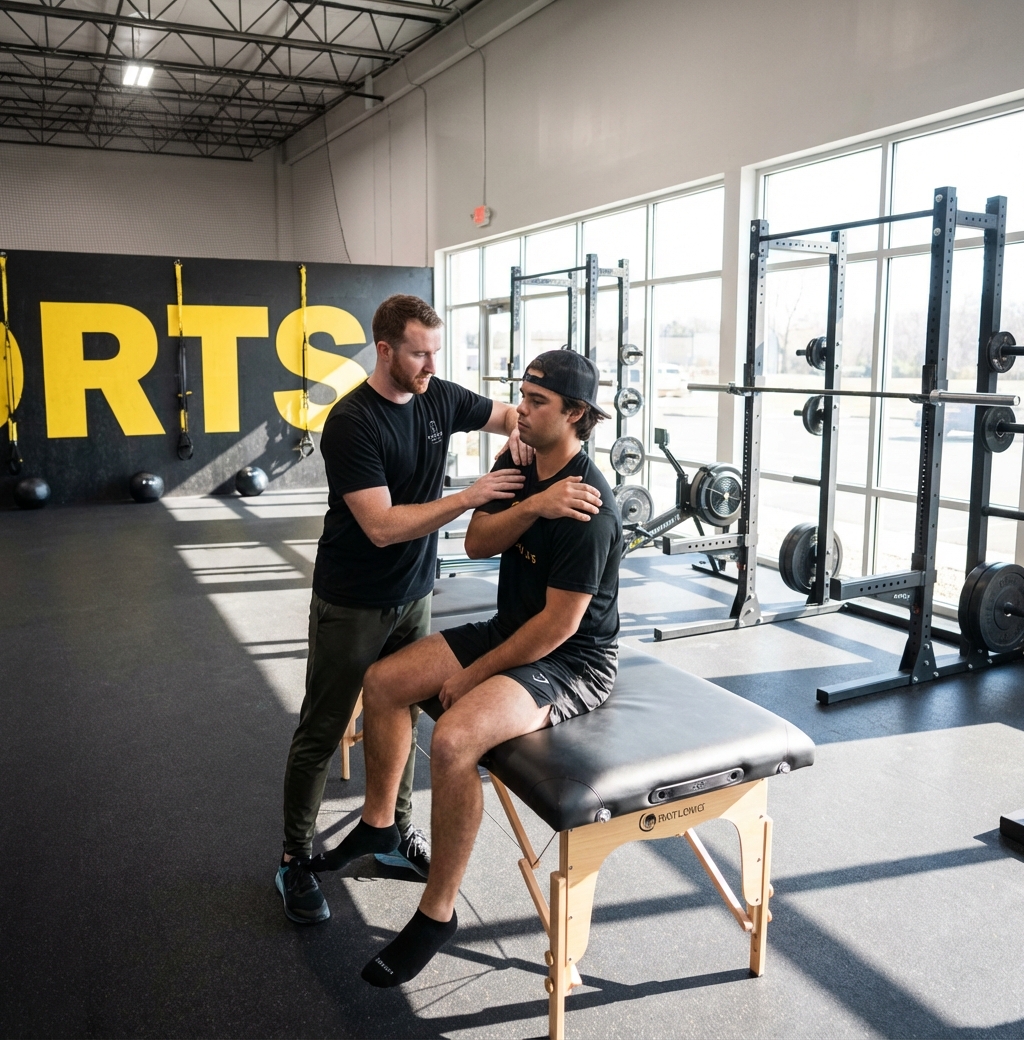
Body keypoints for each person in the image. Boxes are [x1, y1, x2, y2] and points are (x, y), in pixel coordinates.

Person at [306, 348, 622, 986]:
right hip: (515, 629)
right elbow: (477, 541)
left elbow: (559, 627)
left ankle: (437, 911)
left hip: (572, 661)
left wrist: (474, 677)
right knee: (384, 681)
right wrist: (532, 505)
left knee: (453, 739)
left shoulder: (592, 507)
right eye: (522, 397)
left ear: (576, 414)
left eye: (537, 404)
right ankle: (378, 827)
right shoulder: (520, 459)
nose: (520, 413)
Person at [276, 294, 535, 925]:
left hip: (413, 596)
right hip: (353, 601)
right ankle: (294, 859)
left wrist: (533, 435)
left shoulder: (439, 396)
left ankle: (390, 834)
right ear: (384, 349)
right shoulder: (352, 422)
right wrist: (472, 495)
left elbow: (508, 416)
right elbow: (385, 526)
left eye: (436, 352)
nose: (429, 365)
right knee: (322, 724)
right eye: (418, 353)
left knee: (403, 712)